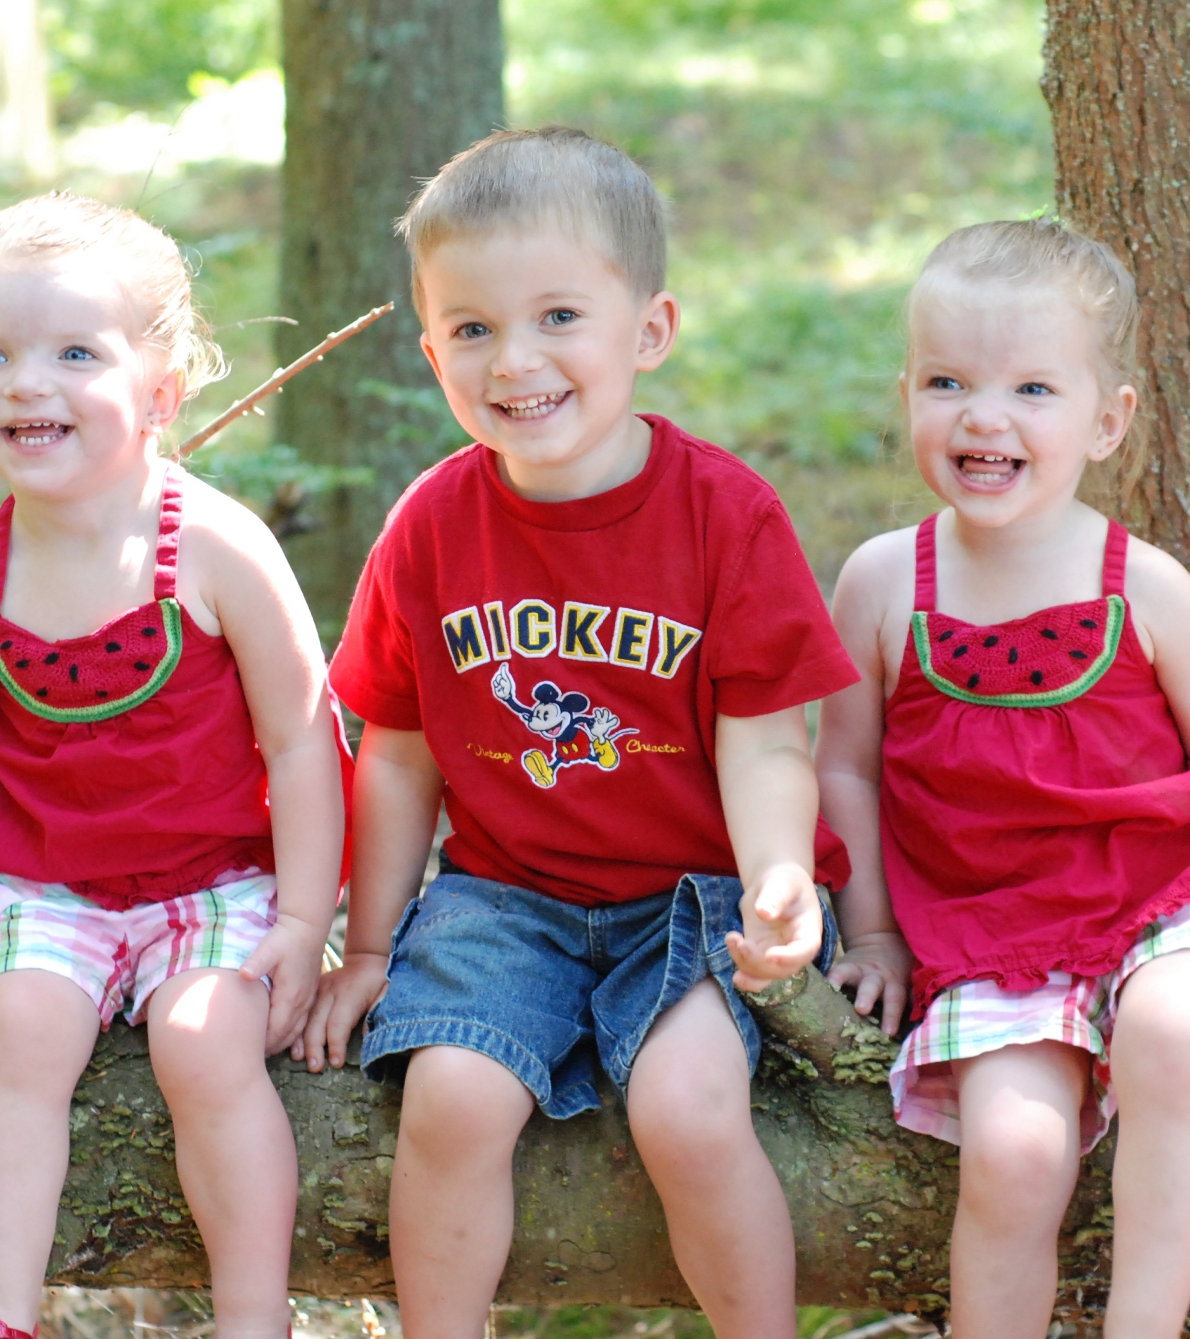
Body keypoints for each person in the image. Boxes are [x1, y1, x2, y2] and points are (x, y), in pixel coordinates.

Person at [298, 127, 873, 1339]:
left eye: (558, 315)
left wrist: (778, 874)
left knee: (689, 1108)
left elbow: (769, 738)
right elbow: (393, 754)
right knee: (450, 1097)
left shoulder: (724, 516)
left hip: (698, 894)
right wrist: (362, 948)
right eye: (471, 328)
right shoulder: (429, 526)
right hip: (505, 895)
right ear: (429, 347)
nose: (515, 361)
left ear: (647, 330)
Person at [815, 218, 1190, 1339]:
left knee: (1170, 1036)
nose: (983, 417)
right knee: (1012, 1152)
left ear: (1107, 421)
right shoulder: (879, 584)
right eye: (947, 381)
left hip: (1165, 900)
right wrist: (870, 936)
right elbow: (844, 773)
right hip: (988, 932)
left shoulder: (1145, 589)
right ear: (905, 391)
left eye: (1032, 389)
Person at [0, 193, 345, 1339]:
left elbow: (304, 738)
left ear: (161, 391)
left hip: (216, 884)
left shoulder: (218, 546)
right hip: (49, 889)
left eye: (73, 353)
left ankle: (252, 1315)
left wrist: (301, 920)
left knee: (201, 1042)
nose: (25, 383)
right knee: (23, 1033)